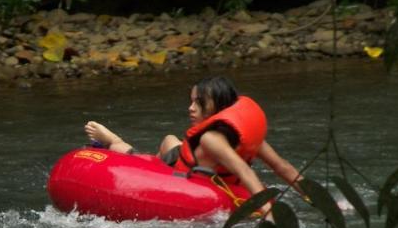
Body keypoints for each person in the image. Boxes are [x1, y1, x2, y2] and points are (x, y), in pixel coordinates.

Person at [83, 76, 302, 203]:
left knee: (169, 142)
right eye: (192, 101)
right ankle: (113, 140)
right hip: (177, 164)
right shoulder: (210, 140)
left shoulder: (244, 136)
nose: (191, 108)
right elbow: (246, 173)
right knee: (143, 159)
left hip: (200, 169)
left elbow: (282, 167)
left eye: (199, 103)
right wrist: (270, 214)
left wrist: (321, 201)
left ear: (220, 106)